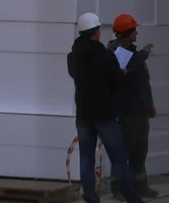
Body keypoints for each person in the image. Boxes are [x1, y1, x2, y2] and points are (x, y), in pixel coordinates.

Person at [67, 13, 144, 203]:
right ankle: (133, 198)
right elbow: (117, 82)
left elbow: (77, 76)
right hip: (105, 116)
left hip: (83, 115)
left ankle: (91, 198)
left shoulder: (73, 57)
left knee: (86, 159)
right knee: (119, 160)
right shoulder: (105, 56)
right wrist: (122, 73)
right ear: (95, 33)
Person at [107, 14, 158, 199]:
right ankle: (118, 188)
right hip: (125, 113)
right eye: (134, 30)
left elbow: (142, 83)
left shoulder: (130, 52)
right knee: (123, 151)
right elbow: (132, 63)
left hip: (139, 111)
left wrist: (149, 105)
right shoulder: (115, 53)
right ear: (126, 33)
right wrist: (144, 53)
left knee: (140, 150)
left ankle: (140, 185)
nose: (136, 33)